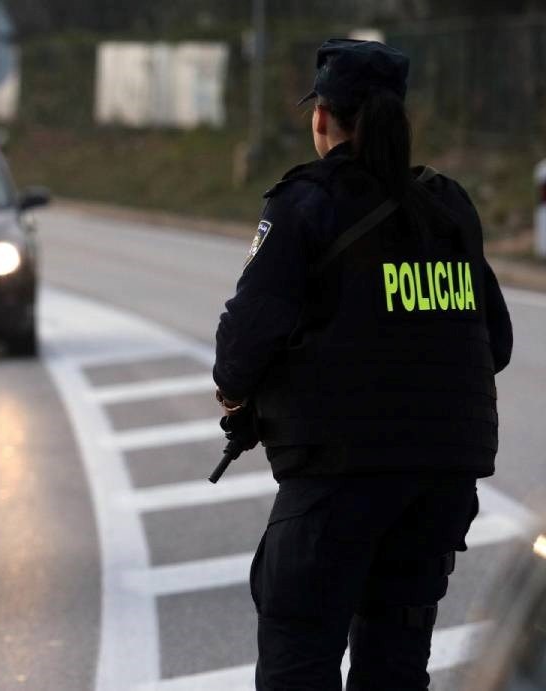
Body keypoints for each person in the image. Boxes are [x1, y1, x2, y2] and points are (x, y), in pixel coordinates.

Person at [212, 39, 514, 690]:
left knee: (300, 661)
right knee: (397, 667)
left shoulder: (305, 204)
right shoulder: (448, 206)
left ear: (321, 117)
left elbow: (239, 350)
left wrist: (238, 397)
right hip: (437, 488)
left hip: (334, 485)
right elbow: (500, 341)